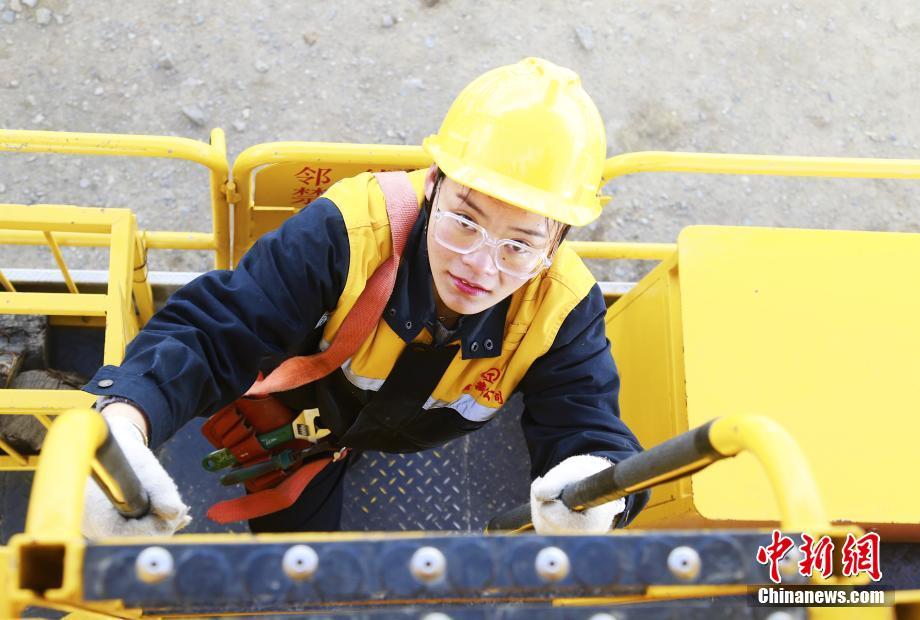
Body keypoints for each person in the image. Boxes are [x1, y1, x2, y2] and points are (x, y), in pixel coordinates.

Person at [81, 57, 650, 537]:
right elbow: (215, 332)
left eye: (520, 245)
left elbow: (585, 418)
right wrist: (120, 428)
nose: (479, 266)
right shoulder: (347, 233)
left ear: (558, 241)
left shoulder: (562, 309)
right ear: (433, 184)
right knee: (296, 554)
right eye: (464, 221)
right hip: (305, 429)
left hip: (387, 424)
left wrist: (597, 488)